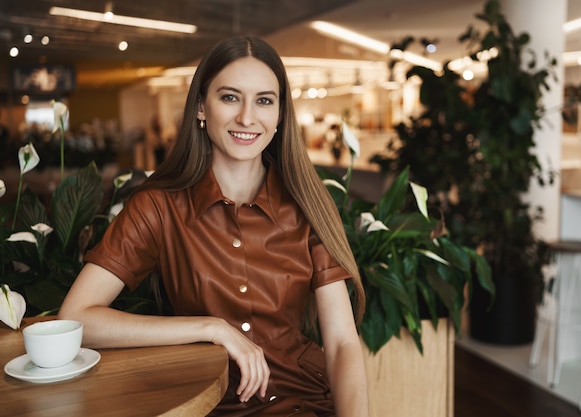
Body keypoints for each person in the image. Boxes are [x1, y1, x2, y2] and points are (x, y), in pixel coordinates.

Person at [59, 36, 369, 417]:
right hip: (208, 404)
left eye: (264, 100)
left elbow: (341, 344)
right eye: (230, 97)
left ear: (280, 115)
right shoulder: (157, 206)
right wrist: (211, 328)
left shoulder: (309, 203)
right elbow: (76, 319)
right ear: (202, 107)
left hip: (302, 401)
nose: (247, 117)